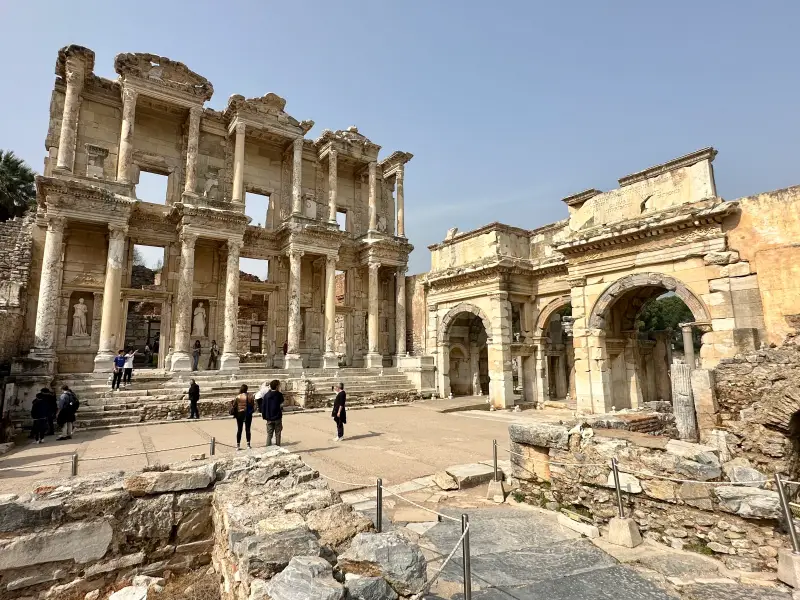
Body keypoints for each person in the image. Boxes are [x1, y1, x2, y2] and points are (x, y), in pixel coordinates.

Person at [261, 380, 284, 446]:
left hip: (269, 417)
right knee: (278, 434)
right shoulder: (279, 395)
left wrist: (264, 416)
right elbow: (282, 405)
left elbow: (263, 407)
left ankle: (268, 448)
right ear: (277, 386)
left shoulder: (266, 395)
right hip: (277, 417)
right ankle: (278, 447)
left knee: (269, 434)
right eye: (279, 385)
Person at [231, 384, 255, 450]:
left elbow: (234, 405)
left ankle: (238, 445)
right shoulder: (250, 396)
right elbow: (253, 405)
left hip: (239, 414)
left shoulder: (238, 396)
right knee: (248, 429)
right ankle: (248, 444)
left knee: (239, 429)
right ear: (247, 389)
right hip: (248, 414)